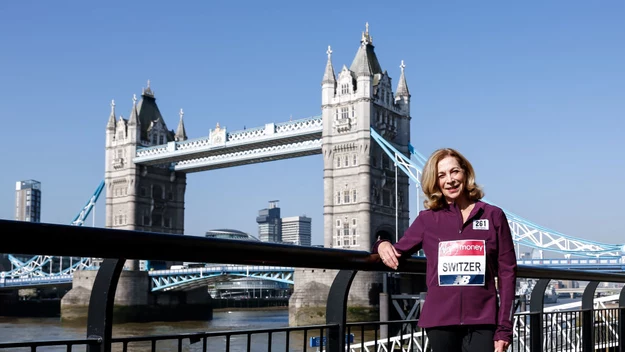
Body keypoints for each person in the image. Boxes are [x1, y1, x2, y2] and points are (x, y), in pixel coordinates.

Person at [372, 148, 517, 352]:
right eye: (442, 175)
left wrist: (504, 329)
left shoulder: (493, 216)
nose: (450, 180)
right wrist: (381, 244)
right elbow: (396, 251)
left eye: (454, 171)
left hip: (484, 322)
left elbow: (507, 274)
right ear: (436, 181)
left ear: (465, 173)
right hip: (439, 323)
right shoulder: (427, 220)